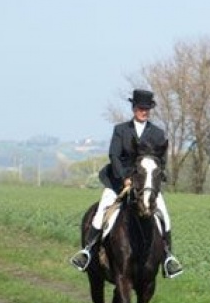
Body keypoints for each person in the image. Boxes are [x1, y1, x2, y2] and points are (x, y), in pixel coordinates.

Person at [69, 88, 183, 278]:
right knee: (102, 211)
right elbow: (114, 155)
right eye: (140, 108)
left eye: (147, 109)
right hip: (118, 182)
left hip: (146, 185)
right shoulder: (121, 130)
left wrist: (154, 178)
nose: (143, 112)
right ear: (133, 108)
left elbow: (161, 161)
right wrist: (124, 177)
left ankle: (168, 258)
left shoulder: (157, 133)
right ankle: (87, 251)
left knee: (164, 215)